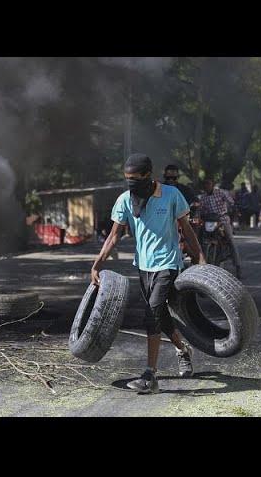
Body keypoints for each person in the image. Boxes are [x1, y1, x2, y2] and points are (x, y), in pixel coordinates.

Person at [91, 153, 207, 394]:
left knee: (152, 311)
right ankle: (183, 350)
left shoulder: (172, 195)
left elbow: (186, 230)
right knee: (160, 316)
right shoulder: (125, 200)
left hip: (168, 263)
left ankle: (149, 375)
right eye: (127, 179)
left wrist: (199, 258)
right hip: (143, 266)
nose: (130, 183)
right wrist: (97, 263)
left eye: (134, 178)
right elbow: (114, 235)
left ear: (147, 175)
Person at [199, 178, 242, 278]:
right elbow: (200, 210)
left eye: (208, 184)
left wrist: (235, 208)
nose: (207, 186)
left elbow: (231, 202)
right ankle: (201, 263)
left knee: (231, 240)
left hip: (222, 220)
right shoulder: (203, 198)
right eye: (205, 184)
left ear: (212, 185)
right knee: (200, 238)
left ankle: (238, 265)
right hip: (209, 221)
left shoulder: (221, 193)